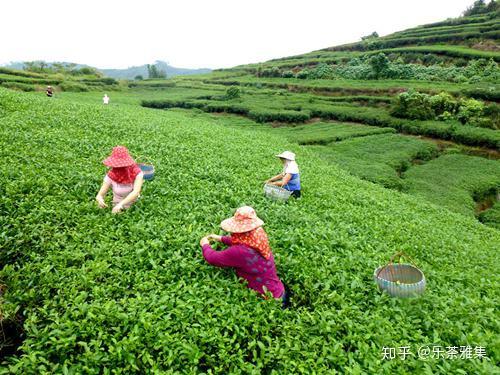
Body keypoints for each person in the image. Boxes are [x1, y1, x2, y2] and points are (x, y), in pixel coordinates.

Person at [200, 206, 288, 307]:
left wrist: (205, 245)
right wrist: (220, 238)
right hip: (280, 290)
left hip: (269, 301)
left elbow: (213, 258)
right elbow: (242, 242)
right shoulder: (259, 235)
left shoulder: (239, 252)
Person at [95, 146, 144, 214]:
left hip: (135, 206)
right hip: (116, 204)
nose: (119, 168)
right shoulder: (111, 175)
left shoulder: (137, 173)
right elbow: (100, 194)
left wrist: (121, 204)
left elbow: (136, 192)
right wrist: (100, 199)